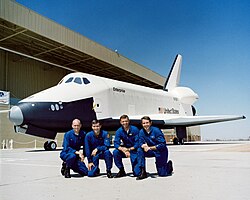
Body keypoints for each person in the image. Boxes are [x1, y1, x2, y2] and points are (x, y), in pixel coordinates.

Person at [136, 116, 173, 180]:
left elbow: (163, 144)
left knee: (162, 174)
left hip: (160, 151)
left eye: (147, 123)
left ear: (150, 123)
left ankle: (168, 166)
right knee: (139, 150)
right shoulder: (141, 132)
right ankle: (143, 171)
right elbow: (140, 142)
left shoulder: (156, 131)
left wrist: (150, 148)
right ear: (142, 124)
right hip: (150, 150)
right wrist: (143, 146)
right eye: (144, 123)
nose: (145, 125)